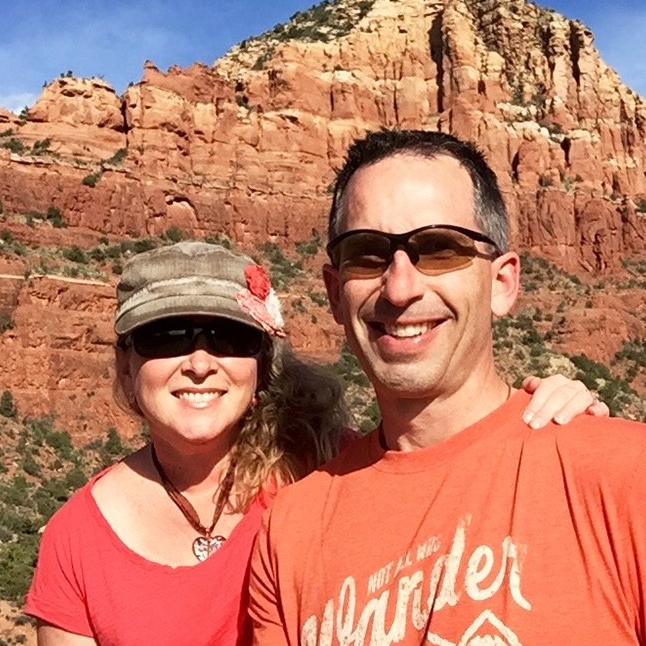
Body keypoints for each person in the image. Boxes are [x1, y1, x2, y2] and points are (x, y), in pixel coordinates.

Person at [25, 241, 604, 646]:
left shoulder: (330, 468)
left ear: (260, 365)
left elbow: (459, 466)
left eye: (228, 337)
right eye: (166, 338)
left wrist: (558, 410)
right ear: (127, 368)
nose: (200, 362)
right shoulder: (77, 539)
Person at [248, 130, 646, 644]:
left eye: (438, 248)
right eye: (367, 254)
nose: (400, 287)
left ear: (502, 283)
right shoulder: (289, 534)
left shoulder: (623, 476)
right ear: (333, 291)